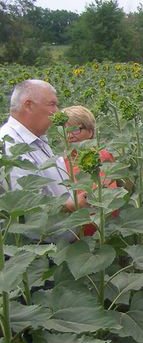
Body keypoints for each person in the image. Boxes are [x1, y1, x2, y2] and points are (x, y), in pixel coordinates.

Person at [0, 79, 79, 208]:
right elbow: (26, 205)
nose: (57, 111)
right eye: (51, 104)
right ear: (28, 105)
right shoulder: (9, 146)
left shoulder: (36, 138)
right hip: (45, 228)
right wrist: (73, 206)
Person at [62, 105, 117, 237]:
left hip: (110, 230)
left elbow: (116, 189)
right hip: (79, 238)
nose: (69, 136)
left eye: (75, 130)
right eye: (65, 130)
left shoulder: (103, 156)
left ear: (91, 131)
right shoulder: (60, 164)